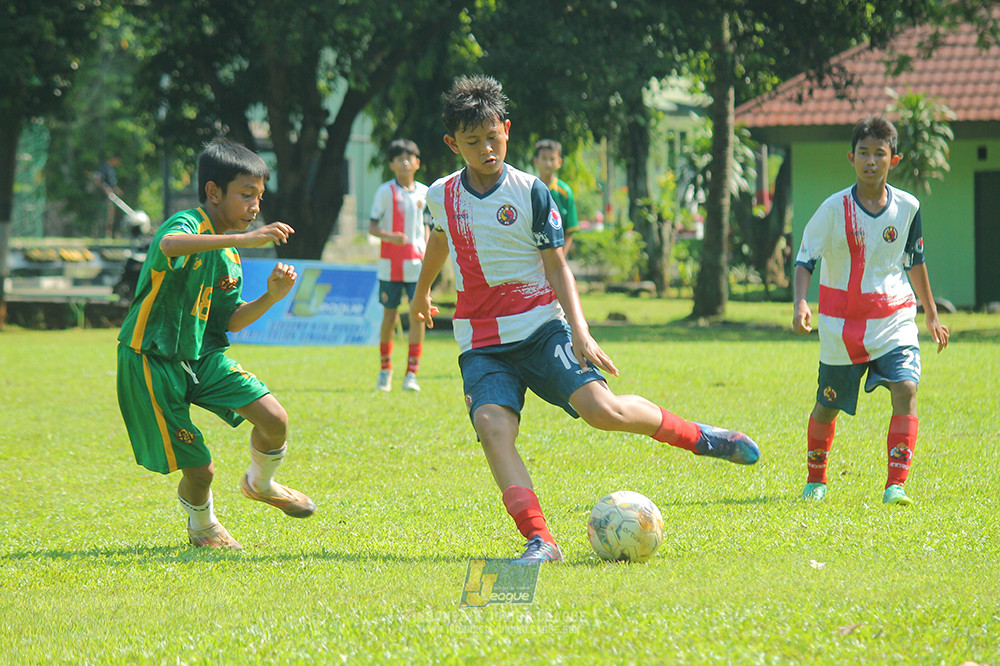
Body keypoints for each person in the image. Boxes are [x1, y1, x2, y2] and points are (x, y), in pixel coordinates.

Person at [412, 75, 760, 564]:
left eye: (493, 138)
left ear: (506, 131)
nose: (487, 149)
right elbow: (440, 242)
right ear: (453, 143)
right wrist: (422, 292)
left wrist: (580, 329)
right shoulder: (440, 195)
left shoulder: (531, 192)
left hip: (540, 327)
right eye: (473, 142)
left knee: (603, 412)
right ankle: (541, 540)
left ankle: (702, 437)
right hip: (481, 341)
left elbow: (557, 266)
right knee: (493, 428)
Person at [116, 138, 316, 550]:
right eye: (246, 195)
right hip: (152, 360)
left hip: (201, 357)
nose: (255, 207)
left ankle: (261, 483)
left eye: (259, 197)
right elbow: (169, 245)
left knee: (275, 419)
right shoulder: (186, 224)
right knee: (201, 469)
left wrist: (271, 297)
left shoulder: (229, 256)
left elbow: (231, 320)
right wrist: (244, 239)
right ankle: (204, 526)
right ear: (213, 192)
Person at [792, 115, 950, 506]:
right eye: (863, 153)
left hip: (894, 317)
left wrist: (930, 312)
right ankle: (816, 479)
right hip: (840, 327)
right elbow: (805, 258)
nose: (871, 161)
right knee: (827, 406)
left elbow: (915, 259)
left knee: (907, 388)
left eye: (879, 153)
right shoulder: (833, 209)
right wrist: (800, 302)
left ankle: (896, 484)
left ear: (893, 160)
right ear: (851, 157)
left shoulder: (908, 207)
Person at [368, 139, 429, 392]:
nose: (405, 162)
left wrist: (426, 248)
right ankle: (385, 370)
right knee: (390, 315)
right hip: (390, 265)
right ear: (392, 164)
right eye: (400, 158)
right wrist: (389, 237)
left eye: (410, 157)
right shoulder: (385, 191)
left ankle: (411, 374)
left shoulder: (425, 193)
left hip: (417, 265)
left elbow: (429, 225)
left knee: (418, 315)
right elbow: (372, 226)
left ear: (417, 162)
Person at [532, 139, 579, 256]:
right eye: (544, 158)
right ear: (535, 161)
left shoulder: (565, 192)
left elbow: (570, 230)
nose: (548, 163)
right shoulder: (529, 189)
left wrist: (561, 258)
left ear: (559, 162)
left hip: (556, 254)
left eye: (552, 159)